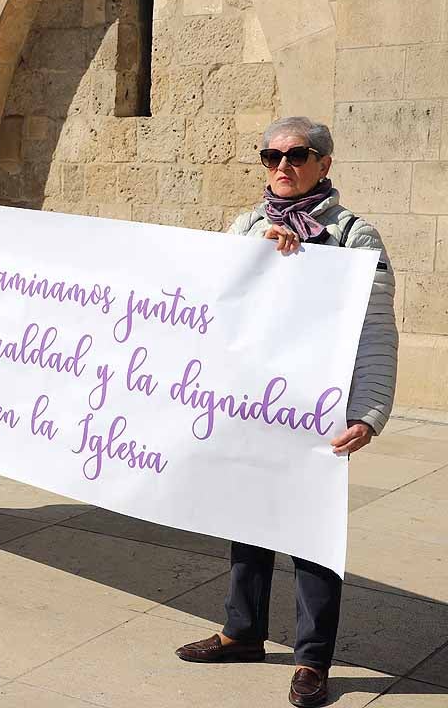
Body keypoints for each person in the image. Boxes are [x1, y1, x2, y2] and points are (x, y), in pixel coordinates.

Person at [174, 117, 398, 708]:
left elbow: (376, 330)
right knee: (247, 521)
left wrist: (370, 411)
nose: (284, 164)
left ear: (325, 163)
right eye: (272, 155)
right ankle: (242, 631)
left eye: (300, 154)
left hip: (315, 411)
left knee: (311, 533)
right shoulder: (248, 225)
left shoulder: (354, 236)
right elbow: (216, 300)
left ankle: (312, 660)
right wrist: (259, 257)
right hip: (253, 404)